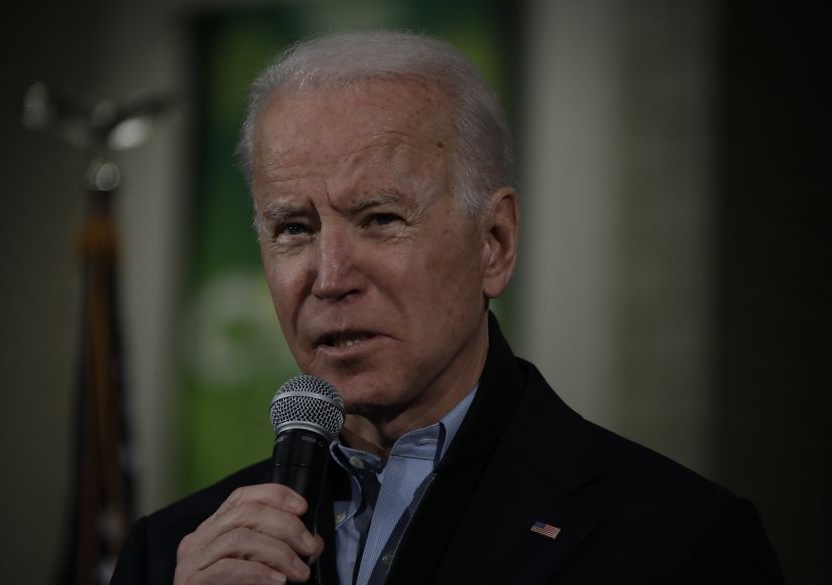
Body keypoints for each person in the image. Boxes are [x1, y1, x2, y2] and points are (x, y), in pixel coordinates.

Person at [111, 31, 784, 585]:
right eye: (293, 227)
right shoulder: (171, 553)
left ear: (495, 243)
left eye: (379, 218)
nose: (330, 277)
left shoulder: (683, 544)